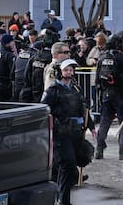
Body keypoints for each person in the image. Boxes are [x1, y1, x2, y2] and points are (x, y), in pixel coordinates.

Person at [41, 59, 96, 205]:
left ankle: (61, 198)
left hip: (76, 134)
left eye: (71, 70)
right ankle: (63, 200)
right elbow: (44, 110)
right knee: (68, 165)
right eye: (66, 70)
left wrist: (91, 126)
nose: (69, 73)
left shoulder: (76, 89)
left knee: (75, 164)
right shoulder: (52, 91)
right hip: (60, 135)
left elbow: (84, 110)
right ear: (60, 72)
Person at [94, 34, 123, 160]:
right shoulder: (122, 58)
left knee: (104, 122)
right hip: (121, 95)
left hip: (106, 94)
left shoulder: (102, 57)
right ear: (118, 44)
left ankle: (99, 150)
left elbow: (97, 79)